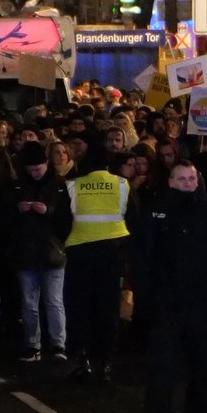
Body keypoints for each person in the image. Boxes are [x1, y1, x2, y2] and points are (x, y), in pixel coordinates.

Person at [130, 160, 207, 413]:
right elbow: (141, 260)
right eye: (182, 179)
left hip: (202, 304)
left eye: (191, 179)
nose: (187, 184)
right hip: (166, 305)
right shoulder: (155, 213)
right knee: (162, 367)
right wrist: (145, 302)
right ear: (170, 181)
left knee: (205, 366)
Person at [62, 137, 133, 383]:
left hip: (80, 253)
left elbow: (60, 222)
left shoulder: (73, 186)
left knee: (80, 308)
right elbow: (133, 217)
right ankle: (104, 361)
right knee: (107, 309)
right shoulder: (122, 184)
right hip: (113, 253)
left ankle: (81, 359)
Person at [2, 142, 73, 364]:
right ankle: (32, 344)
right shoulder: (18, 186)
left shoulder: (59, 185)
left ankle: (57, 344)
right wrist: (18, 209)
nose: (34, 173)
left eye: (38, 169)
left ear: (46, 164)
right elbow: (7, 219)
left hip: (51, 252)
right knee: (29, 302)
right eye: (30, 170)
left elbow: (66, 220)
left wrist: (47, 211)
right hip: (27, 252)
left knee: (53, 301)